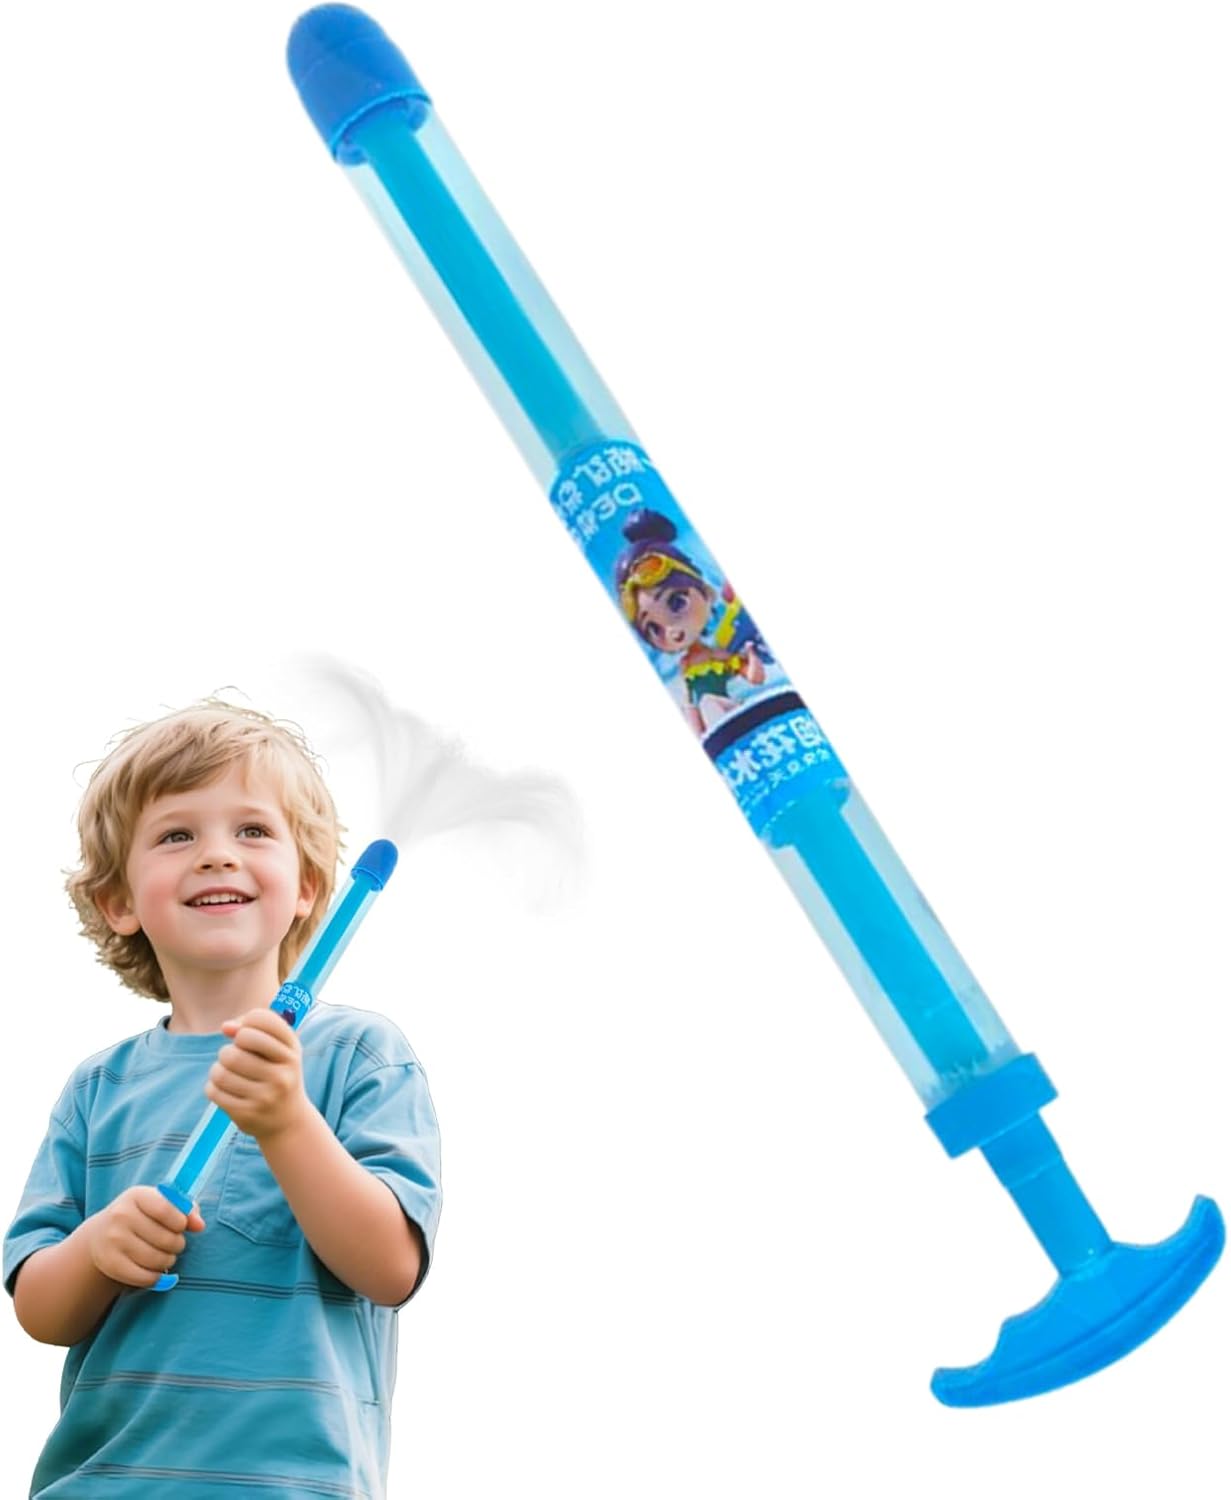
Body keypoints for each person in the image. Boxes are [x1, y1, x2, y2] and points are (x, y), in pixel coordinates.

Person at [3, 700, 442, 1498]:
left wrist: (286, 1122)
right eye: (177, 835)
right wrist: (97, 1251)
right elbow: (39, 1310)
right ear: (119, 901)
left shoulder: (359, 1056)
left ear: (308, 887)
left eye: (252, 830)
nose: (216, 856)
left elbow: (389, 1267)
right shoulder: (98, 1088)